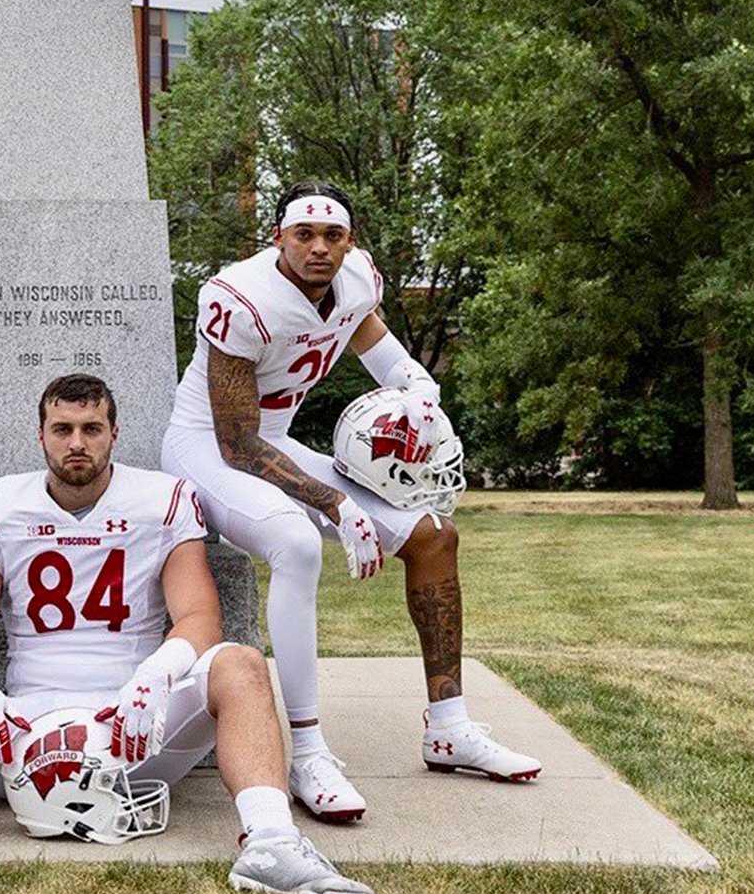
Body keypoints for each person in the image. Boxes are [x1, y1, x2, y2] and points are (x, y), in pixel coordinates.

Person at [0, 375, 375, 894]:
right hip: (19, 729)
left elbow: (199, 617)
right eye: (63, 429)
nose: (78, 442)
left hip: (137, 727)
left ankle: (272, 843)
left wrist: (158, 675)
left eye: (92, 429)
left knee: (241, 665)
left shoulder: (163, 497)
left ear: (114, 434)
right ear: (41, 435)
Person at [160, 182, 540, 823]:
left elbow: (378, 349)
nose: (318, 248)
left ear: (349, 244)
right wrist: (335, 502)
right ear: (278, 238)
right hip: (207, 450)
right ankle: (306, 750)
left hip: (274, 443)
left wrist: (418, 388)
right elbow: (237, 442)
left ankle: (447, 724)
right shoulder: (239, 296)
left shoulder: (356, 281)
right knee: (298, 543)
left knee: (431, 534)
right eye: (303, 234)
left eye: (332, 236)